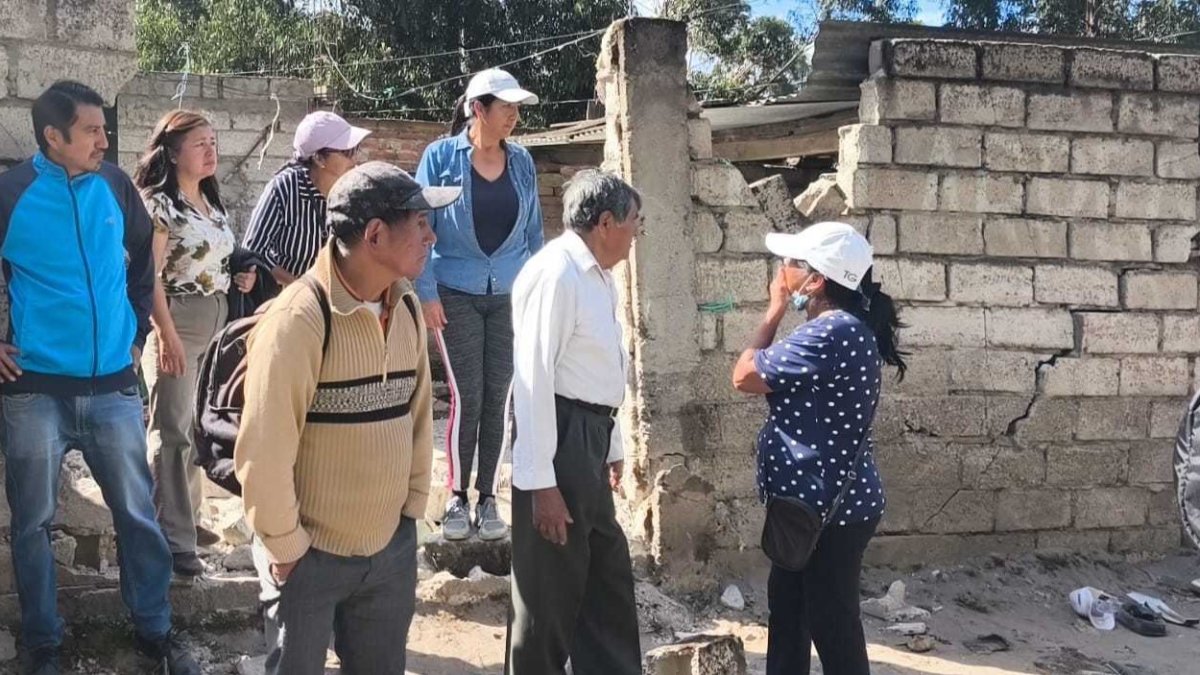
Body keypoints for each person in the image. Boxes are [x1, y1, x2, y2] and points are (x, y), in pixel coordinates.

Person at [0, 81, 200, 675]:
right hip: (34, 388)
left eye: (104, 130)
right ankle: (44, 644)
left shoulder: (115, 186)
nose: (104, 141)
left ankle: (155, 632)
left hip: (113, 385)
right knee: (32, 523)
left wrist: (136, 335)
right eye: (91, 131)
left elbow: (143, 260)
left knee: (136, 514)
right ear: (52, 137)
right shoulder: (12, 193)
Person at [235, 162, 460, 675]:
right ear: (376, 235)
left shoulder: (404, 306)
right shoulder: (299, 319)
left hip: (388, 553)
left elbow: (418, 416)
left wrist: (410, 515)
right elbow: (263, 450)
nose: (431, 235)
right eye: (420, 223)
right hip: (309, 558)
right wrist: (288, 550)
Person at [731, 221, 907, 675]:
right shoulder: (839, 329)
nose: (782, 270)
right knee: (789, 615)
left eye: (791, 263)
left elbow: (744, 376)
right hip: (809, 509)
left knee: (833, 626)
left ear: (817, 280)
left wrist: (773, 310)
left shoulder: (834, 332)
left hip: (829, 513)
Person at [505, 170, 641, 675]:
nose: (635, 235)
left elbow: (600, 367)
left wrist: (612, 443)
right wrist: (541, 483)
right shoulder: (557, 273)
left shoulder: (597, 275)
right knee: (549, 593)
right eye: (632, 224)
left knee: (604, 580)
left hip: (588, 436)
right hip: (559, 438)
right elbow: (535, 379)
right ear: (605, 223)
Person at [415, 68, 545, 542]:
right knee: (467, 395)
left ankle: (488, 496)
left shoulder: (524, 163)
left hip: (511, 294)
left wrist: (537, 293)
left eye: (516, 107)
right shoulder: (440, 158)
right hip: (455, 294)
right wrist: (426, 293)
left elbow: (533, 236)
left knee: (501, 396)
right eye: (505, 106)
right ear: (478, 109)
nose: (514, 115)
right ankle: (456, 496)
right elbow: (420, 229)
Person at [132, 110, 256, 578]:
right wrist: (164, 334)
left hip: (216, 318)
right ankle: (173, 540)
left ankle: (186, 520)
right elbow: (151, 277)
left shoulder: (209, 200)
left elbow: (212, 259)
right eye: (200, 142)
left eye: (213, 140)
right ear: (172, 151)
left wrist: (238, 276)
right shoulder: (158, 205)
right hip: (177, 320)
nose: (211, 149)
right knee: (171, 432)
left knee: (197, 427)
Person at [241, 110, 370, 287]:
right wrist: (301, 286)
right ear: (319, 158)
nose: (354, 159)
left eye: (355, 150)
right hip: (283, 301)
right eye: (346, 152)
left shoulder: (351, 190)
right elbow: (254, 250)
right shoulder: (286, 187)